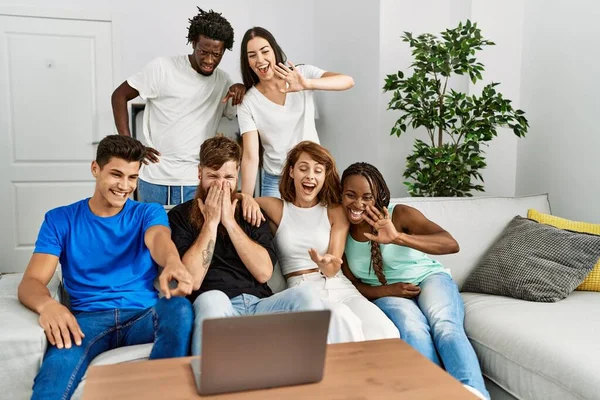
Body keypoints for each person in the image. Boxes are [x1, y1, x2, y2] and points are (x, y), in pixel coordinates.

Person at [18, 135, 194, 400]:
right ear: (95, 169)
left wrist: (172, 262)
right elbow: (31, 282)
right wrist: (49, 306)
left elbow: (158, 239)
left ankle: (163, 391)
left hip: (142, 316)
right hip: (86, 320)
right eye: (116, 174)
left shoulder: (148, 212)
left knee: (179, 308)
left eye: (132, 178)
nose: (124, 186)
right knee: (52, 381)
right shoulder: (60, 219)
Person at [167, 136, 340, 356]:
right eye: (213, 176)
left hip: (260, 304)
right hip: (217, 304)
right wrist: (211, 223)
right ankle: (215, 380)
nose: (221, 185)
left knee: (305, 295)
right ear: (199, 173)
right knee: (212, 299)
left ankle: (308, 377)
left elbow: (263, 273)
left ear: (237, 174)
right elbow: (192, 280)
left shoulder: (251, 213)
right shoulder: (180, 216)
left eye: (229, 177)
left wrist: (229, 221)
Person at [340, 162, 490, 400]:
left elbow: (450, 243)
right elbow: (351, 284)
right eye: (350, 195)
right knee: (413, 330)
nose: (358, 204)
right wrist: (388, 290)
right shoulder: (340, 227)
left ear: (378, 195)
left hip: (429, 278)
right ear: (341, 194)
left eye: (366, 197)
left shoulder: (399, 213)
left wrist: (398, 237)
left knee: (445, 326)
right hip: (387, 293)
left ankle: (474, 394)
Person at [239, 141, 399, 341]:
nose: (310, 176)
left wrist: (325, 263)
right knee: (343, 322)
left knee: (386, 331)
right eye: (303, 169)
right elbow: (235, 199)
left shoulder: (335, 211)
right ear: (291, 172)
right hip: (304, 291)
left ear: (324, 176)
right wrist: (245, 198)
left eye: (318, 171)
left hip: (340, 286)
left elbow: (332, 268)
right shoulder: (277, 208)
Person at [111, 8, 246, 206]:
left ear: (224, 51)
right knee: (153, 236)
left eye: (216, 54)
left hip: (196, 180)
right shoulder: (162, 68)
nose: (209, 60)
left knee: (194, 237)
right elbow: (119, 96)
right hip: (155, 179)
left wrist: (243, 88)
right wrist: (130, 146)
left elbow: (240, 112)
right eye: (203, 52)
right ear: (193, 43)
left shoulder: (224, 81)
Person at [237, 27, 355, 198]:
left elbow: (347, 81)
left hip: (312, 176)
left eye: (265, 51)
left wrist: (307, 84)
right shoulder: (248, 102)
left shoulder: (302, 74)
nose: (260, 60)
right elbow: (250, 156)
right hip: (275, 180)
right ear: (247, 61)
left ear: (275, 51)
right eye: (252, 55)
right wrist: (246, 198)